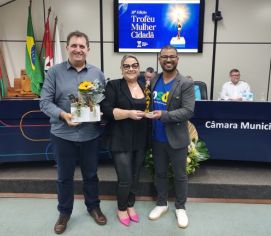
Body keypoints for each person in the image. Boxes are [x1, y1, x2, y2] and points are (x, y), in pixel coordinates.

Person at [40, 31, 107, 234]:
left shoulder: (97, 73)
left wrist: (101, 112)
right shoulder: (54, 73)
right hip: (62, 135)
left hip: (90, 135)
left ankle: (93, 206)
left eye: (82, 46)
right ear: (68, 47)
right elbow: (44, 102)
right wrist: (63, 115)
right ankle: (64, 212)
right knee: (64, 177)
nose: (78, 49)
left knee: (91, 174)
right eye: (74, 45)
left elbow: (102, 101)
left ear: (88, 49)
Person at [147, 45, 195, 228]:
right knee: (159, 173)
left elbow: (188, 111)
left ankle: (180, 207)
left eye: (172, 57)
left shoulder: (185, 83)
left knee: (179, 175)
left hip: (176, 139)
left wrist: (163, 115)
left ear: (178, 59)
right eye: (164, 57)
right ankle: (161, 203)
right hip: (157, 138)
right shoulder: (154, 80)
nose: (168, 59)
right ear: (159, 59)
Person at [100, 54, 148, 227]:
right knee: (125, 178)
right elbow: (106, 110)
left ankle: (130, 204)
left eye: (134, 65)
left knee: (135, 177)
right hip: (120, 139)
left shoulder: (144, 87)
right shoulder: (113, 85)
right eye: (126, 66)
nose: (131, 69)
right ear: (121, 68)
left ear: (138, 67)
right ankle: (121, 208)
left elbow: (148, 109)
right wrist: (128, 113)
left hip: (140, 139)